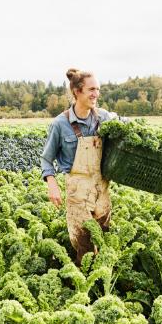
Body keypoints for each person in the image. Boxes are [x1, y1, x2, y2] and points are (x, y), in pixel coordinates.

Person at [40, 68, 122, 265]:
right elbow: (46, 159)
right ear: (77, 92)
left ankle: (102, 282)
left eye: (98, 89)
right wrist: (52, 184)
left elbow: (126, 125)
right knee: (84, 244)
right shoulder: (60, 124)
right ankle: (83, 285)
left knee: (103, 238)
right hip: (78, 190)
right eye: (91, 89)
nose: (96, 94)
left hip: (101, 188)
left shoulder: (103, 117)